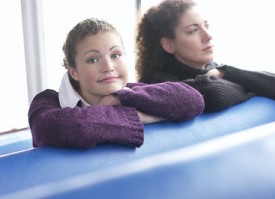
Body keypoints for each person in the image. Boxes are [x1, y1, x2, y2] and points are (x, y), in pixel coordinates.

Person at [28, 18, 205, 149]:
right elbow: (64, 128)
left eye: (115, 55)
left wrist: (120, 100)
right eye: (92, 60)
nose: (108, 67)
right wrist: (141, 117)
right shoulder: (46, 102)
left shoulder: (130, 92)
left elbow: (193, 100)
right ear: (73, 71)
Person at [136, 0, 275, 112]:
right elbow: (214, 94)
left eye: (206, 26)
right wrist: (248, 87)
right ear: (169, 45)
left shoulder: (215, 69)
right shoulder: (155, 82)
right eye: (193, 30)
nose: (208, 36)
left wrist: (224, 73)